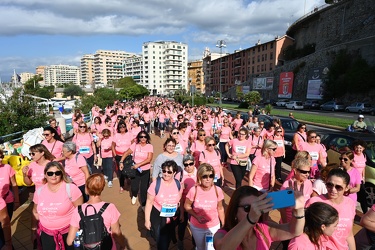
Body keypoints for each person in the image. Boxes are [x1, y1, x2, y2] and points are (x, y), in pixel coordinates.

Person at [213, 185, 305, 250]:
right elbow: (223, 248)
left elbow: (294, 231)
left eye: (257, 206)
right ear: (235, 212)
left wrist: (299, 210)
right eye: (247, 208)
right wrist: (250, 219)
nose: (254, 211)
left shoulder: (264, 229)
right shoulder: (222, 234)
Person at [32, 161, 83, 249]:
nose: (54, 176)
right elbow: (35, 212)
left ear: (62, 174)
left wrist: (76, 232)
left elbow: (80, 212)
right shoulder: (39, 192)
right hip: (47, 235)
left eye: (57, 173)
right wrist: (33, 231)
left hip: (70, 234)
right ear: (45, 175)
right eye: (50, 173)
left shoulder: (71, 189)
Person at [66, 174, 126, 250]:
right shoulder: (110, 207)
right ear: (102, 189)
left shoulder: (78, 210)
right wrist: (122, 244)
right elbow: (116, 232)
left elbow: (69, 241)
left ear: (86, 190)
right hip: (107, 246)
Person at [306, 168, 356, 250]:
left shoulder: (350, 204)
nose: (333, 189)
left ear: (347, 188)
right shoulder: (314, 202)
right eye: (329, 185)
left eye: (338, 187)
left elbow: (349, 234)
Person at [184, 163, 225, 250]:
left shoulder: (218, 191)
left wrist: (224, 223)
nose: (208, 179)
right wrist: (196, 216)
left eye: (211, 176)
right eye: (204, 176)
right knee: (200, 247)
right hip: (197, 227)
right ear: (199, 177)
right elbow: (187, 206)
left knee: (212, 248)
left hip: (214, 226)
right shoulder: (193, 190)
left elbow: (220, 208)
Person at [145, 160, 183, 250]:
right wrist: (147, 220)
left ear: (174, 173)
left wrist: (181, 213)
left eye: (169, 172)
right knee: (161, 242)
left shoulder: (178, 184)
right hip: (158, 217)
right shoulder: (155, 184)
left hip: (171, 216)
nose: (166, 174)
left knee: (168, 238)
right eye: (164, 171)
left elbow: (180, 200)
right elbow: (149, 202)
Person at [119, 131, 153, 206]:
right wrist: (121, 161)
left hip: (145, 170)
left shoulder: (149, 146)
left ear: (147, 138)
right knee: (134, 187)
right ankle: (134, 195)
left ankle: (144, 203)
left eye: (145, 137)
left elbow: (149, 159)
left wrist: (139, 164)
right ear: (138, 138)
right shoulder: (135, 145)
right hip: (135, 170)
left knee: (144, 188)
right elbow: (126, 152)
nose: (143, 138)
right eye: (141, 137)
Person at [178, 155, 198, 248]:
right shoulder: (180, 174)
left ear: (194, 163)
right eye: (186, 165)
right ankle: (180, 241)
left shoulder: (199, 173)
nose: (188, 166)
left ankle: (195, 244)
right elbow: (177, 191)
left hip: (196, 205)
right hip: (183, 203)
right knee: (182, 223)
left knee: (195, 226)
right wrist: (180, 188)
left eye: (191, 164)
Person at [352, 139, 375, 213]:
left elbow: (363, 167)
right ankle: (350, 212)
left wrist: (363, 177)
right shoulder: (352, 155)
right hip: (352, 180)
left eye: (360, 148)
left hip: (360, 180)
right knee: (352, 197)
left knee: (363, 197)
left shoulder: (363, 155)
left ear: (363, 148)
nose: (358, 149)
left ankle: (365, 213)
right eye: (357, 147)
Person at [112, 120, 133, 193]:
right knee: (120, 172)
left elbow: (133, 144)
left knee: (128, 169)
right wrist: (115, 155)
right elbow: (113, 145)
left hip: (128, 155)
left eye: (123, 126)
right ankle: (121, 186)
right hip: (119, 155)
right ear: (118, 128)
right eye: (120, 127)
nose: (122, 128)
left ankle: (128, 179)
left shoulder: (129, 134)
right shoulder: (116, 135)